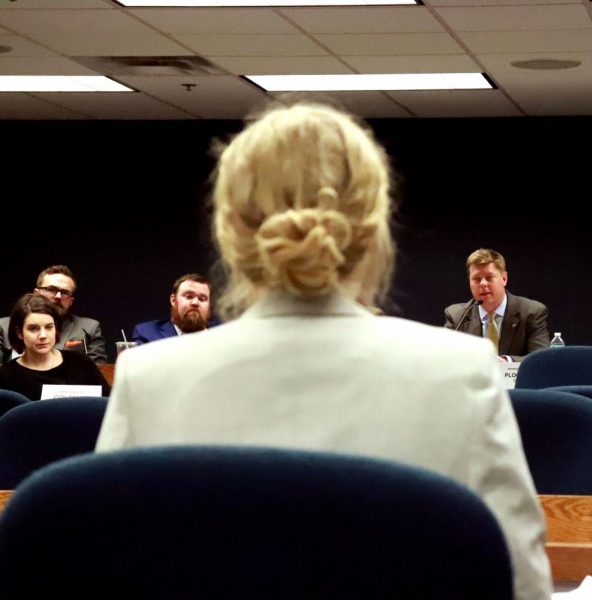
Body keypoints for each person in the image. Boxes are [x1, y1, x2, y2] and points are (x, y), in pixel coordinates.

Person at [94, 102, 551, 600]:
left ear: (230, 232)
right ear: (375, 230)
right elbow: (520, 583)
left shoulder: (146, 377)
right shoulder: (462, 371)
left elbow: (103, 575)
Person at [443, 249, 550, 362]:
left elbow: (541, 359)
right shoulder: (457, 316)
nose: (483, 284)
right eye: (476, 279)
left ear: (504, 279)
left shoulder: (531, 312)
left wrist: (507, 362)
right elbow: (443, 357)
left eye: (489, 278)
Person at [0, 294, 110, 400]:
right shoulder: (6, 375)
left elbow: (108, 403)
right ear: (19, 332)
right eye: (33, 329)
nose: (43, 336)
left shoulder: (80, 362)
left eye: (48, 327)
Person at [0, 265, 107, 364]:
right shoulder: (3, 326)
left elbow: (99, 371)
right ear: (36, 293)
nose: (58, 296)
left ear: (71, 301)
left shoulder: (89, 328)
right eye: (51, 289)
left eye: (65, 292)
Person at [132, 274, 216, 345]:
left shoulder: (222, 335)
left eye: (202, 299)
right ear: (173, 300)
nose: (195, 302)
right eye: (189, 296)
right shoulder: (147, 333)